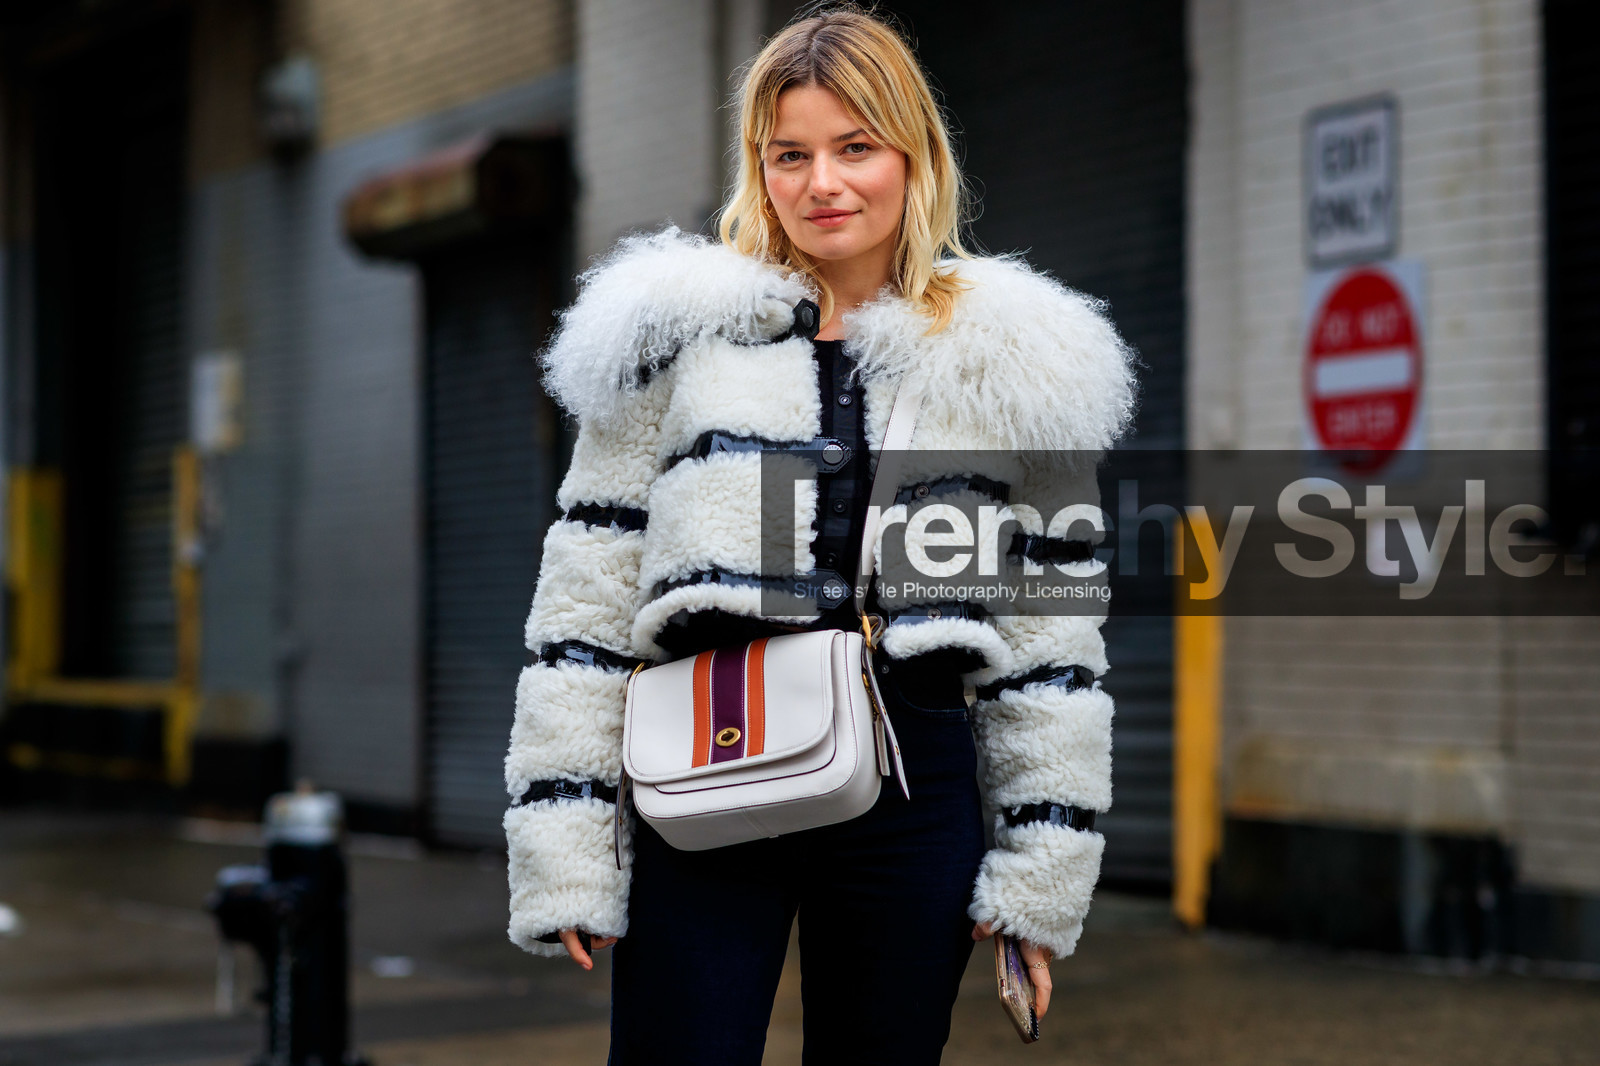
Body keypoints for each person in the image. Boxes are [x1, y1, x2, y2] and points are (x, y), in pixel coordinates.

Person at [503, 6, 1137, 1063]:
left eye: (854, 149)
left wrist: (1039, 875)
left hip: (912, 781)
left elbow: (1050, 639)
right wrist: (564, 839)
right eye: (789, 155)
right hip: (708, 755)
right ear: (759, 166)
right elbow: (585, 597)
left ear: (913, 155)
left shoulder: (1010, 353)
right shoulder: (675, 332)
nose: (822, 184)